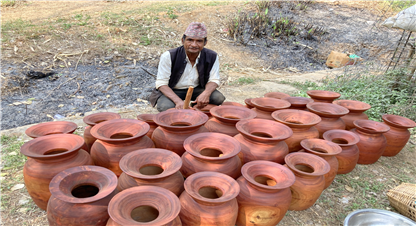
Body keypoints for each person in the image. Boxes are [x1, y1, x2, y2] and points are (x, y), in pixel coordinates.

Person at [149, 22, 225, 112]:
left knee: (218, 98)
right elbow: (161, 83)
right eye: (190, 40)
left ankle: (195, 107)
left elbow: (214, 80)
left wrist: (206, 93)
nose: (194, 44)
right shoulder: (169, 56)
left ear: (205, 43)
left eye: (199, 41)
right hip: (173, 90)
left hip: (196, 89)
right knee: (165, 107)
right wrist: (178, 101)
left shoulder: (212, 56)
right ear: (182, 40)